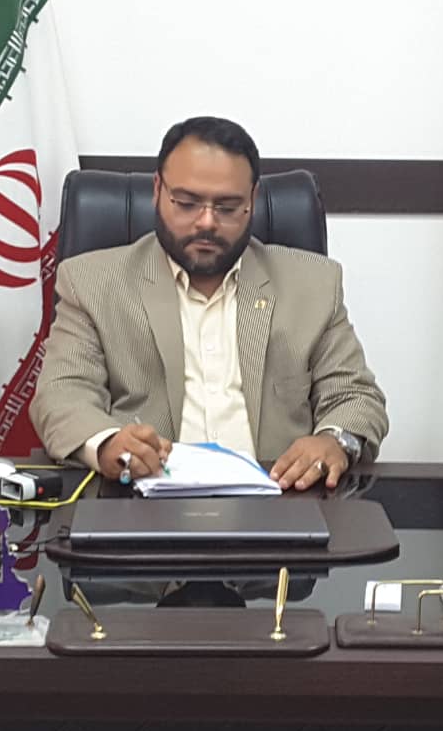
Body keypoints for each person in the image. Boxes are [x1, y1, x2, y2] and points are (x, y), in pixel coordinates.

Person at [30, 116, 387, 490]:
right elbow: (62, 393)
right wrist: (106, 444)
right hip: (142, 502)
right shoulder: (91, 283)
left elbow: (355, 395)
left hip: (279, 499)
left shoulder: (312, 284)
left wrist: (335, 441)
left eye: (228, 207)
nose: (206, 222)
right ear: (157, 190)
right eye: (186, 203)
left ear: (252, 201)